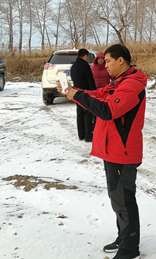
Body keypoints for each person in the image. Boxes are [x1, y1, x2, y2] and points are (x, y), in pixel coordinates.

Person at [58, 44, 147, 259]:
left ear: (121, 60)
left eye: (107, 61)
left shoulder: (131, 85)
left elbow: (108, 110)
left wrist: (77, 95)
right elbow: (98, 95)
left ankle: (130, 248)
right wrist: (74, 93)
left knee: (125, 200)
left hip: (123, 152)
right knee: (117, 198)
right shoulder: (119, 82)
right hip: (112, 150)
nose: (104, 65)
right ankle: (123, 237)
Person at [70, 48, 96, 142]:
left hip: (76, 92)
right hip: (86, 93)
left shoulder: (73, 66)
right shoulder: (85, 65)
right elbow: (90, 80)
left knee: (80, 113)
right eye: (87, 56)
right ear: (85, 55)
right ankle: (88, 135)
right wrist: (94, 92)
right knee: (88, 113)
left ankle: (81, 134)